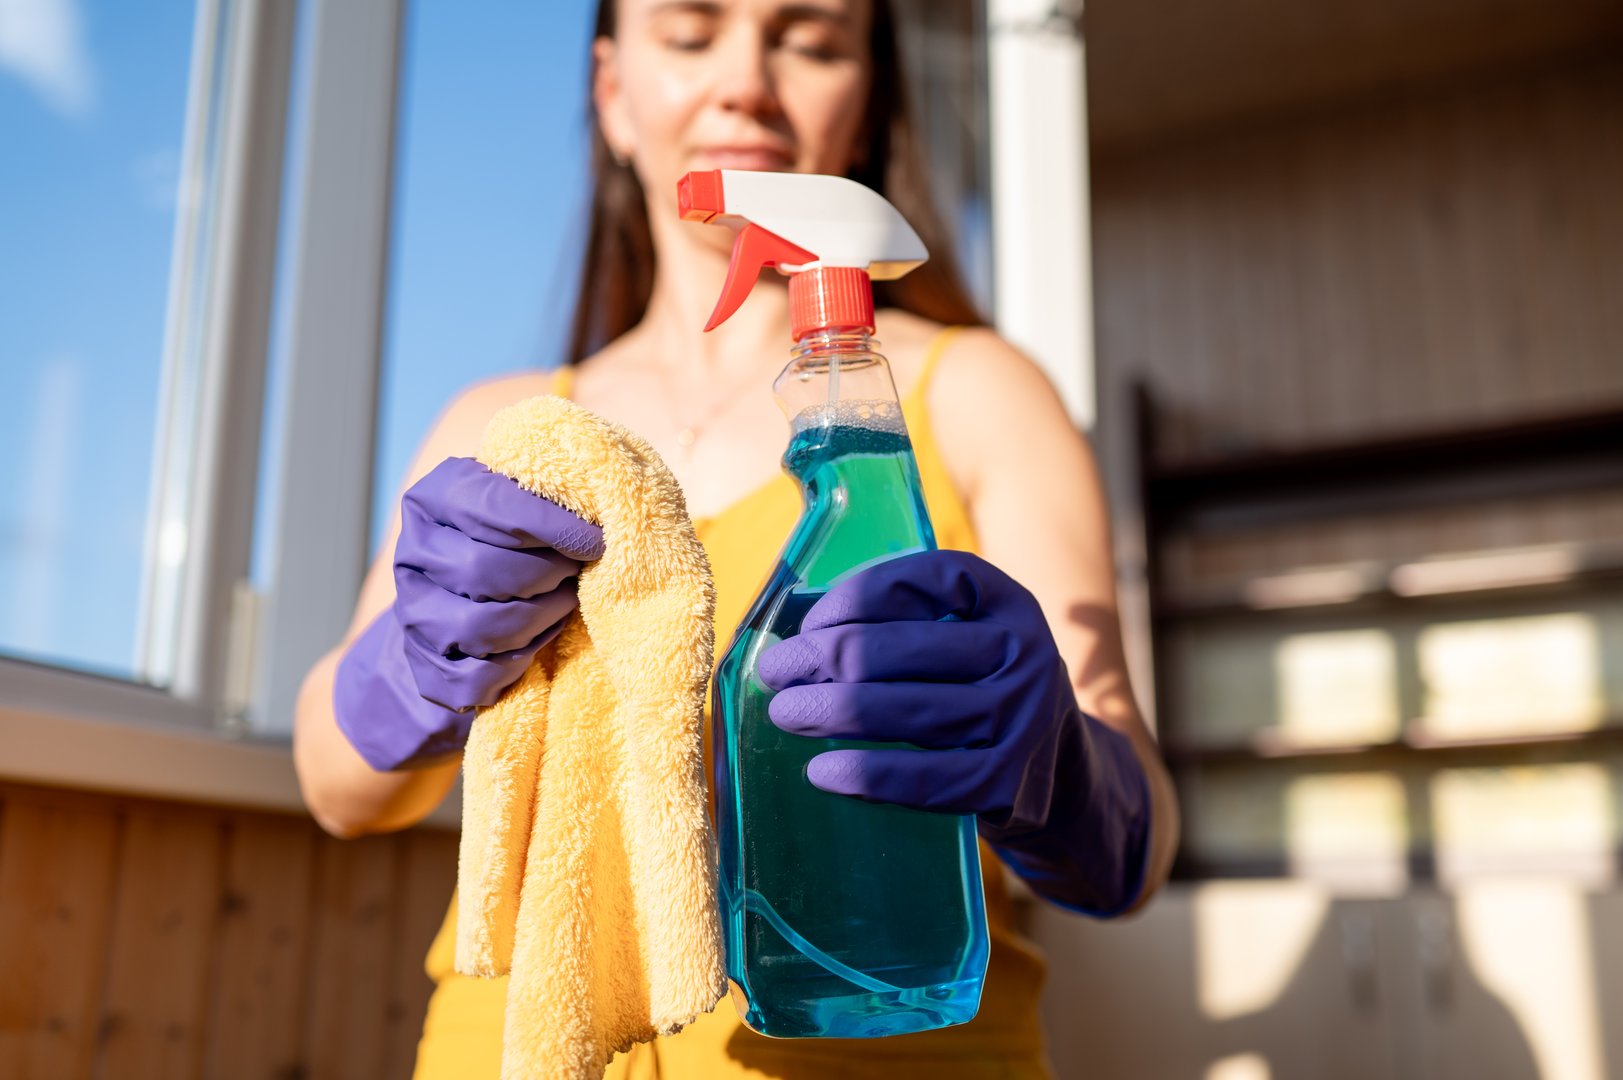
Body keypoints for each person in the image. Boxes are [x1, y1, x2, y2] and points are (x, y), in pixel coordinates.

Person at [292, 0, 1180, 1076]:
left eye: (809, 42)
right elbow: (338, 791)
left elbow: (1136, 848)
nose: (748, 82)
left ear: (864, 108)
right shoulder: (506, 431)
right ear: (613, 95)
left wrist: (1060, 768)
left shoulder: (974, 392)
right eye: (691, 31)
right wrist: (415, 664)